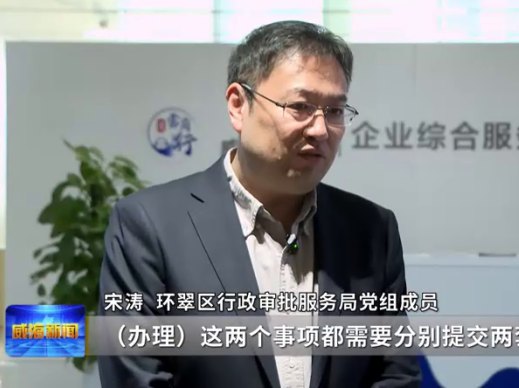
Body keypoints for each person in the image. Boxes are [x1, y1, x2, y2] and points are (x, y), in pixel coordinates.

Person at [98, 20, 422, 388]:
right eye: (300, 106)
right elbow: (138, 378)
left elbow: (396, 375)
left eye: (334, 111)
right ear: (238, 105)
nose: (320, 129)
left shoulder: (371, 230)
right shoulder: (149, 225)